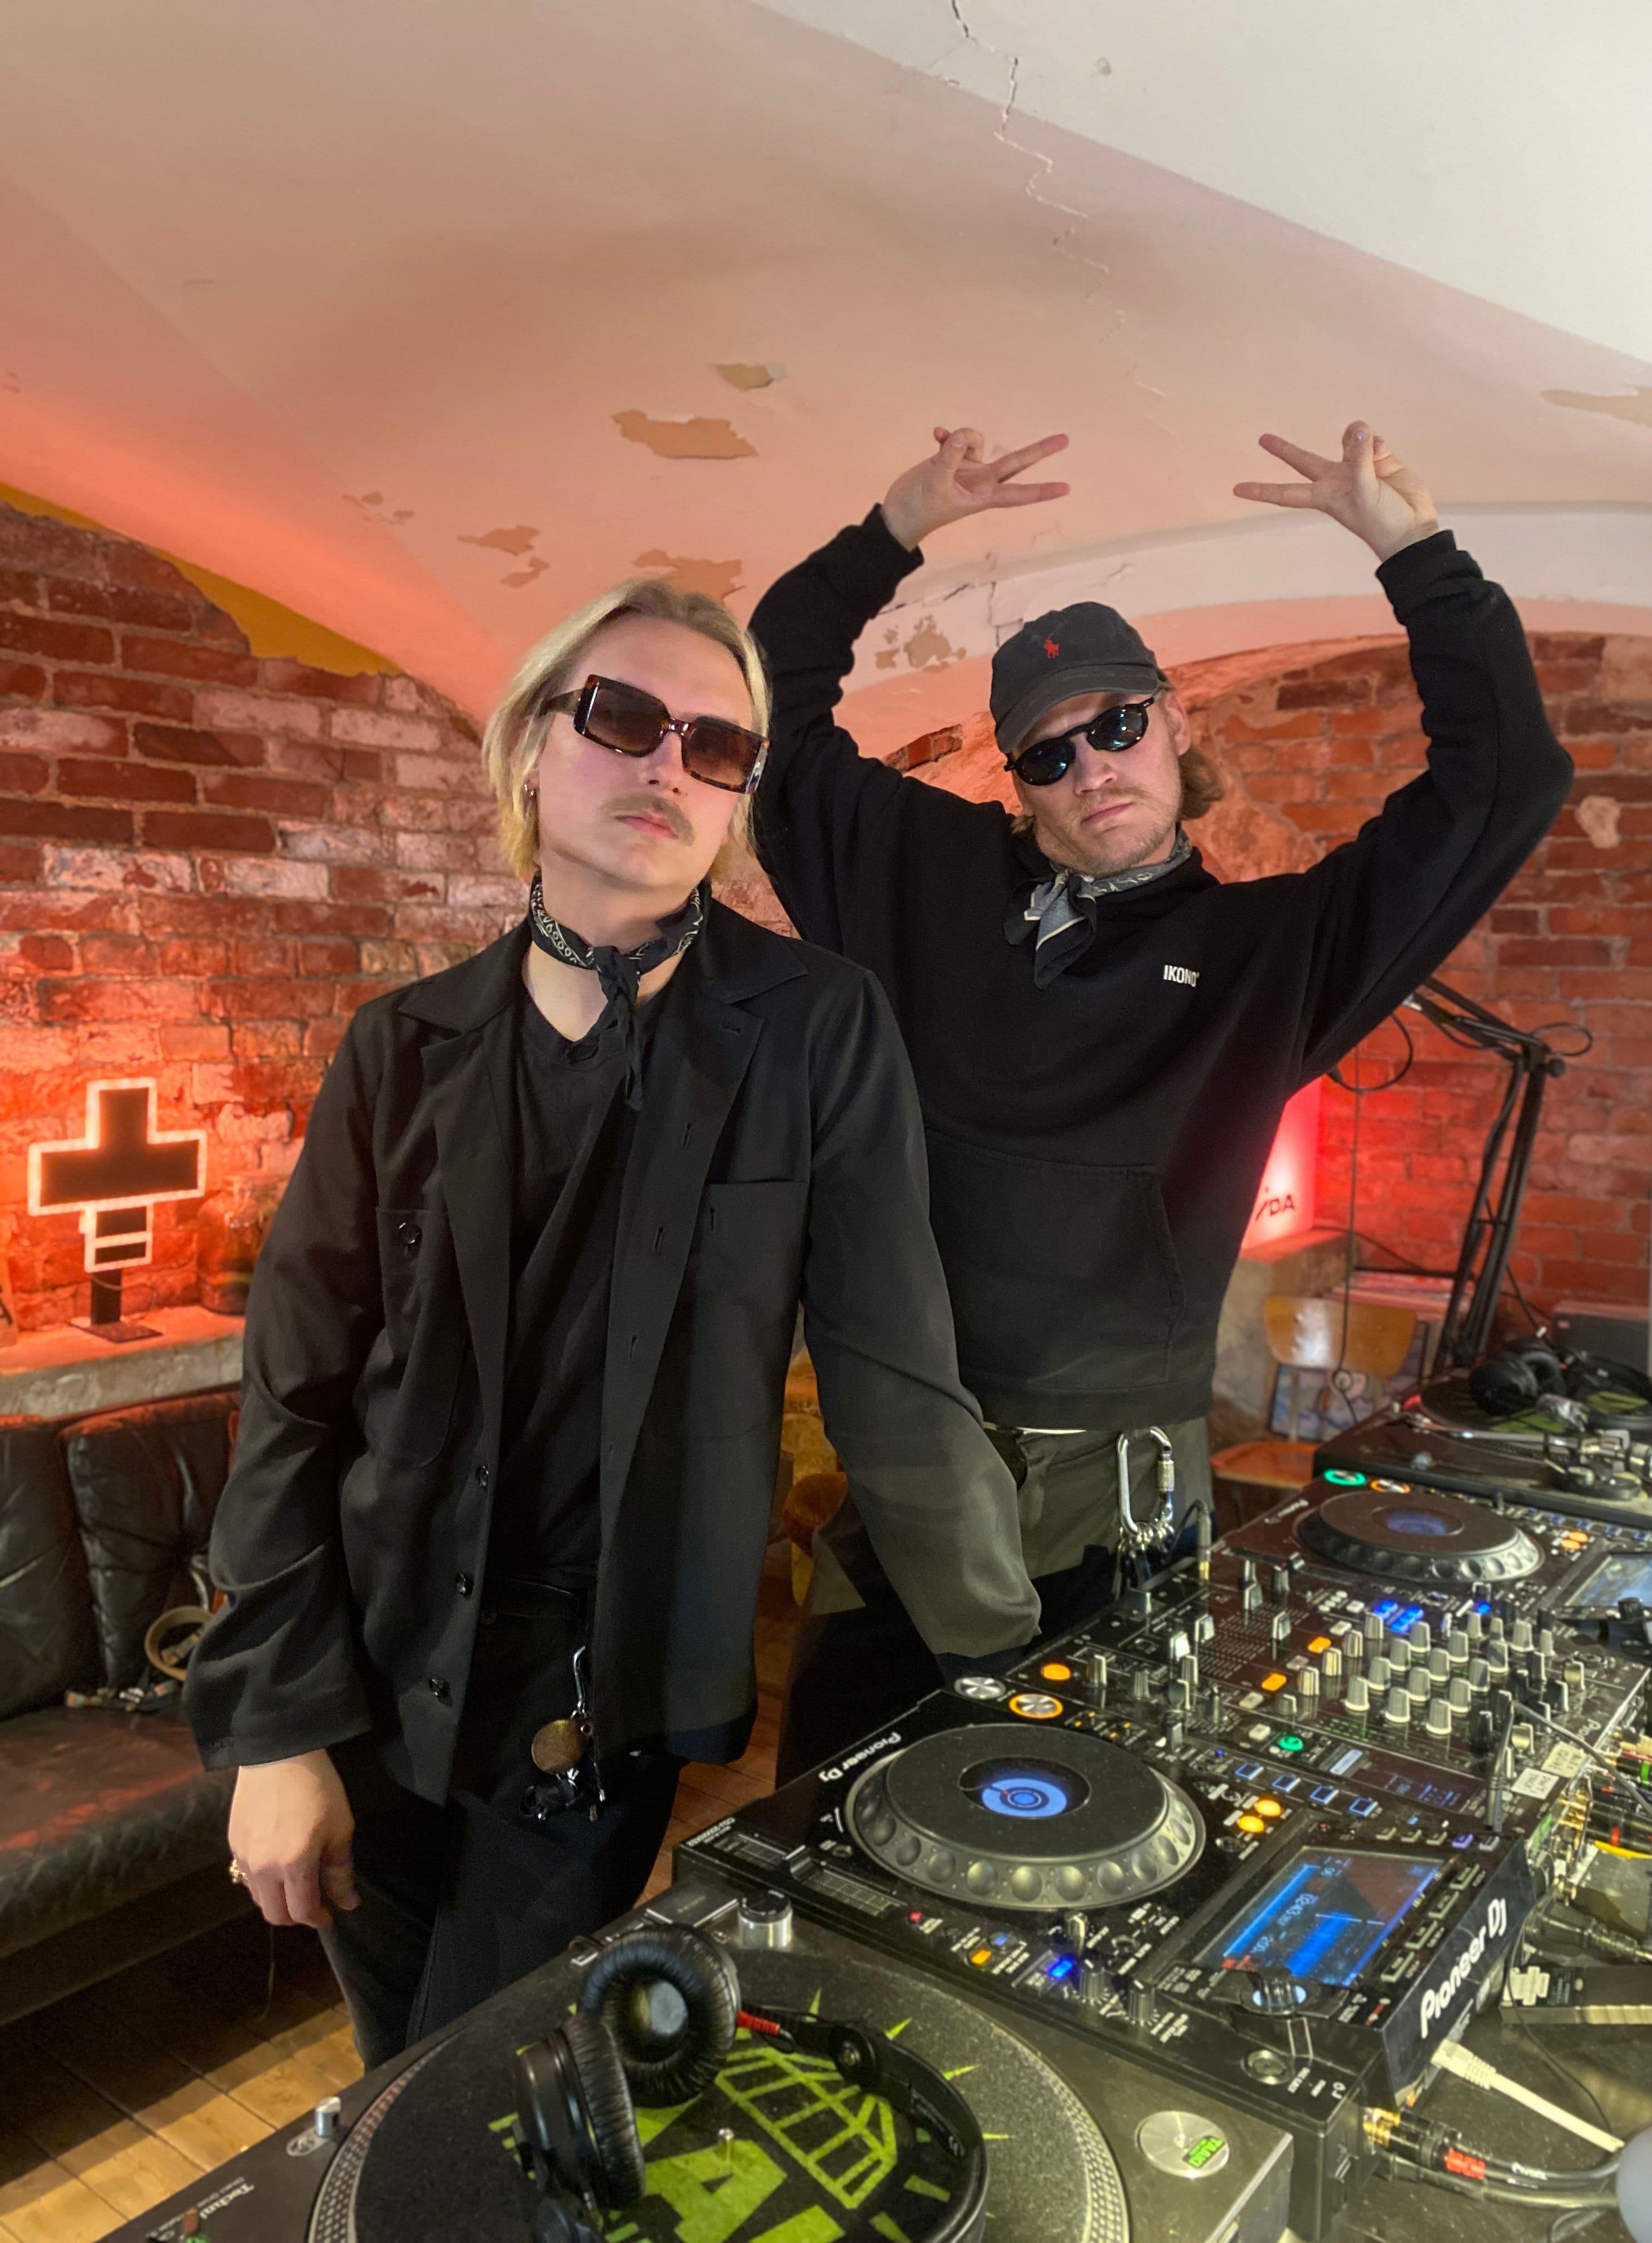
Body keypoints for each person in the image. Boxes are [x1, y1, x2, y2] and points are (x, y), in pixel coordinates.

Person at [186, 575, 1039, 2064]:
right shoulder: (403, 1047)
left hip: (605, 1683)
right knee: (402, 2070)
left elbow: (897, 1378)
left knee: (493, 2083)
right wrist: (274, 1725)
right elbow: (298, 1403)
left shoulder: (816, 1027)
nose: (668, 765)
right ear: (533, 747)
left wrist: (1015, 1662)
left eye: (718, 744)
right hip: (374, 1667)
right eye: (626, 718)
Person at [751, 418, 1575, 1778]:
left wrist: (1415, 553)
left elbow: (1504, 783)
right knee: (818, 1827)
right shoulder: (916, 873)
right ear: (1018, 781)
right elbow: (770, 704)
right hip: (906, 1473)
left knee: (1098, 1826)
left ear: (1176, 722)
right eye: (1049, 755)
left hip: (1114, 1504)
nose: (1093, 770)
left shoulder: (1271, 954)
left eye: (1118, 727)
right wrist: (891, 530)